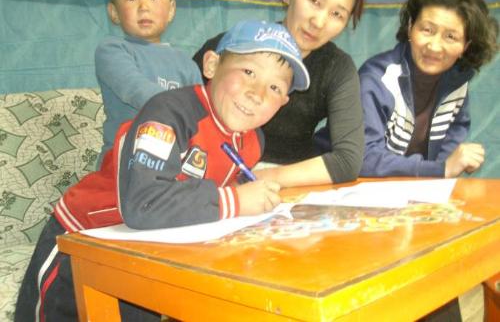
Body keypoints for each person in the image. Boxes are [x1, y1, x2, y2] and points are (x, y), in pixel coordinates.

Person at [14, 20, 309, 322]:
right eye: (248, 72)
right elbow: (143, 203)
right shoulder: (169, 114)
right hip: (82, 241)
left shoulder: (252, 141)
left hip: (149, 250)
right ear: (212, 64)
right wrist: (233, 201)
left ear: (284, 102)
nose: (257, 93)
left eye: (275, 87)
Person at [193, 0, 366, 187]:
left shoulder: (338, 68)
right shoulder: (233, 46)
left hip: (288, 183)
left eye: (337, 14)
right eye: (314, 1)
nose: (319, 21)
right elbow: (179, 117)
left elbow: (347, 161)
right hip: (213, 178)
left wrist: (258, 180)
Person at [358, 0, 498, 178]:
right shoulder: (376, 79)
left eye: (450, 37)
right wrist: (441, 169)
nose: (434, 46)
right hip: (343, 191)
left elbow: (456, 129)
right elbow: (363, 158)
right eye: (427, 30)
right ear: (409, 28)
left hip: (406, 193)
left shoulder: (457, 81)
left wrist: (453, 163)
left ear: (466, 46)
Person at [95, 0, 202, 165]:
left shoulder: (185, 63)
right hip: (123, 161)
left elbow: (201, 111)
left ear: (171, 10)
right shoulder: (112, 50)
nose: (144, 7)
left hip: (173, 163)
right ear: (114, 12)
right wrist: (184, 109)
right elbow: (136, 90)